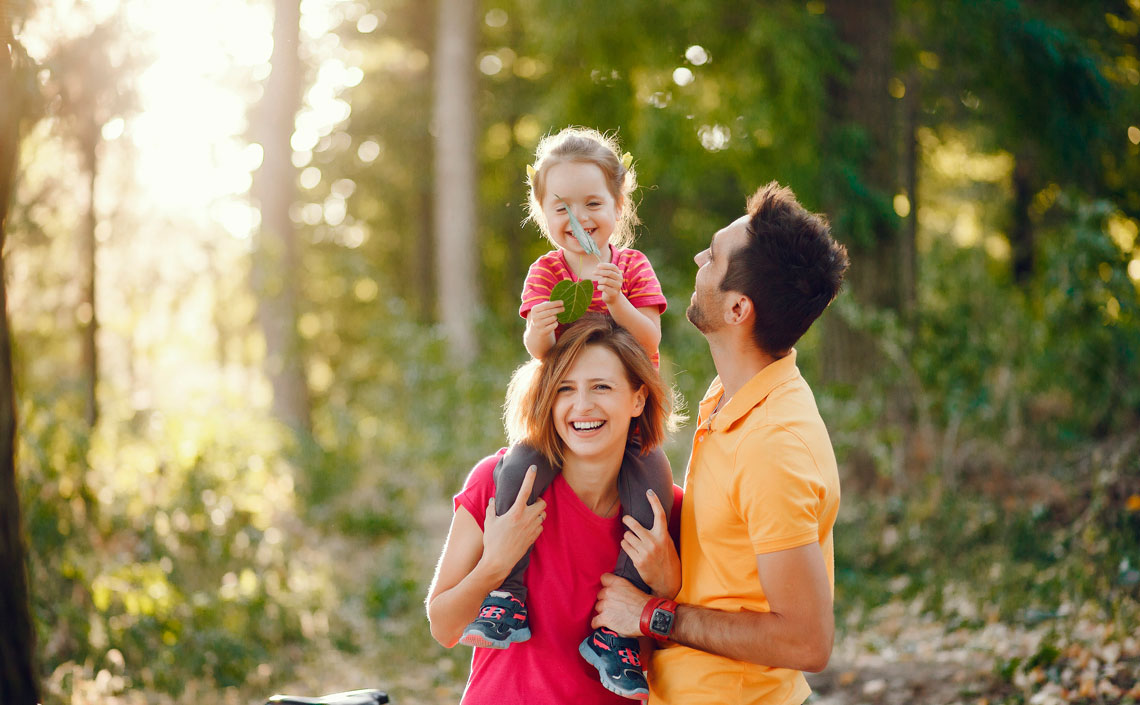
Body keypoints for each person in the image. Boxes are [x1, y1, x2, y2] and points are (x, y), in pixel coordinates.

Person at [591, 182, 850, 705]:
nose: (697, 258)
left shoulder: (773, 444)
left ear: (738, 309)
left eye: (712, 256)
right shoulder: (733, 397)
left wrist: (650, 615)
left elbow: (807, 640)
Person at [457, 127, 674, 695]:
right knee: (515, 470)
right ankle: (510, 595)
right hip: (559, 418)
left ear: (617, 207)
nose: (579, 216)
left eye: (593, 203)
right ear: (543, 214)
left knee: (653, 485)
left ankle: (613, 635)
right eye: (562, 207)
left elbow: (649, 340)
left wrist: (619, 301)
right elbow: (540, 353)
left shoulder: (630, 266)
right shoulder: (546, 273)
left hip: (621, 427)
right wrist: (539, 330)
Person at [426, 315, 684, 703]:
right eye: (565, 388)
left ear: (638, 398)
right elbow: (443, 627)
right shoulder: (496, 486)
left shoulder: (666, 513)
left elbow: (664, 657)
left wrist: (666, 584)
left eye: (601, 386)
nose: (582, 406)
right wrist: (495, 565)